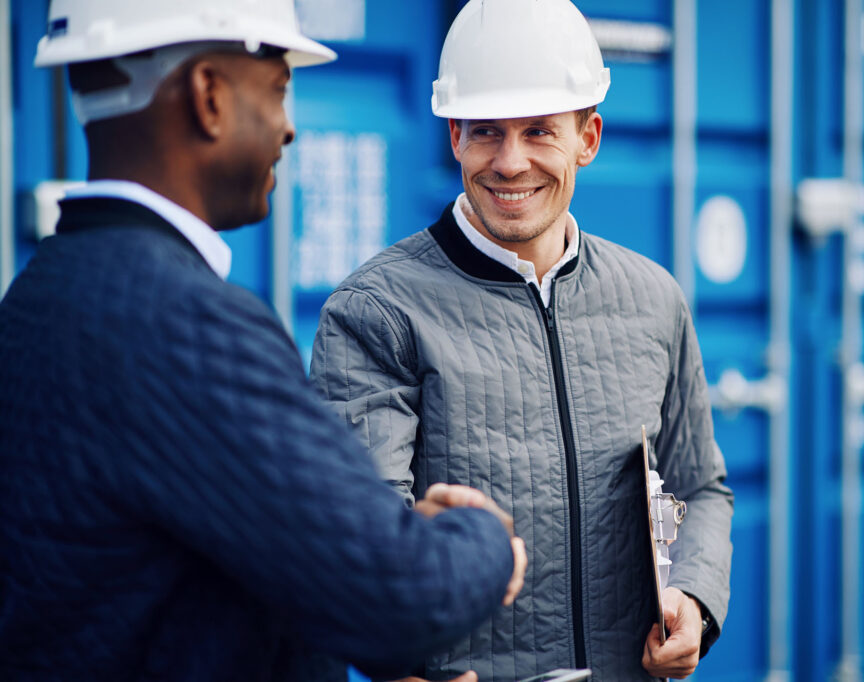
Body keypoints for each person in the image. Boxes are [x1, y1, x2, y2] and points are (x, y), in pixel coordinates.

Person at [0, 2, 527, 681]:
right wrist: (486, 541)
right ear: (209, 96)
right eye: (278, 88)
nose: (288, 128)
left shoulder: (39, 296)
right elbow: (399, 597)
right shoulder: (182, 325)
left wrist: (377, 532)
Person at [310, 0, 733, 680]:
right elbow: (354, 543)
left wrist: (695, 595)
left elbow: (698, 487)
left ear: (587, 138)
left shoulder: (653, 299)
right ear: (453, 136)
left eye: (539, 131)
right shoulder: (376, 311)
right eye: (486, 132)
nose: (510, 163)